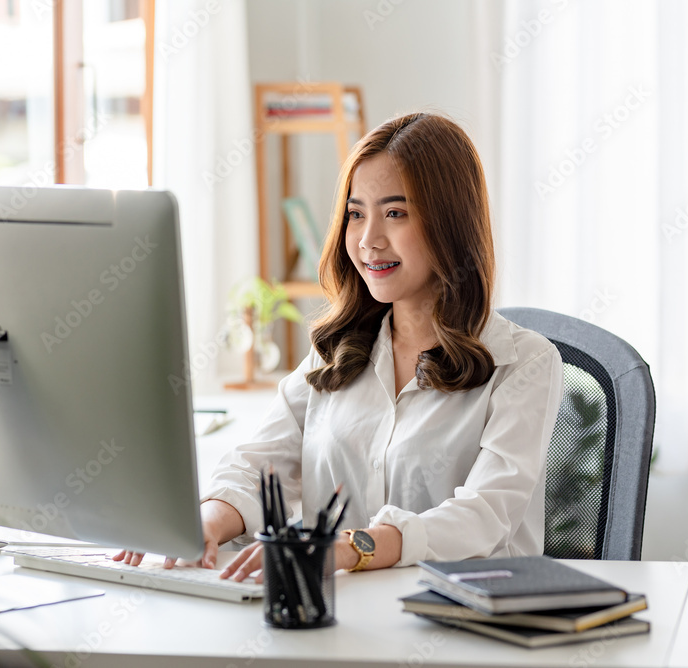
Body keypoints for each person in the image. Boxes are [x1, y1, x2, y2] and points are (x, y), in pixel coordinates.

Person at [114, 111, 563, 580]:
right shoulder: (339, 353)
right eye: (355, 214)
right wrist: (206, 524)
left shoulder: (524, 363)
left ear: (450, 223)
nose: (369, 240)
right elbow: (258, 466)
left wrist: (352, 548)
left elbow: (485, 514)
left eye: (395, 213)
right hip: (340, 619)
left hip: (465, 630)